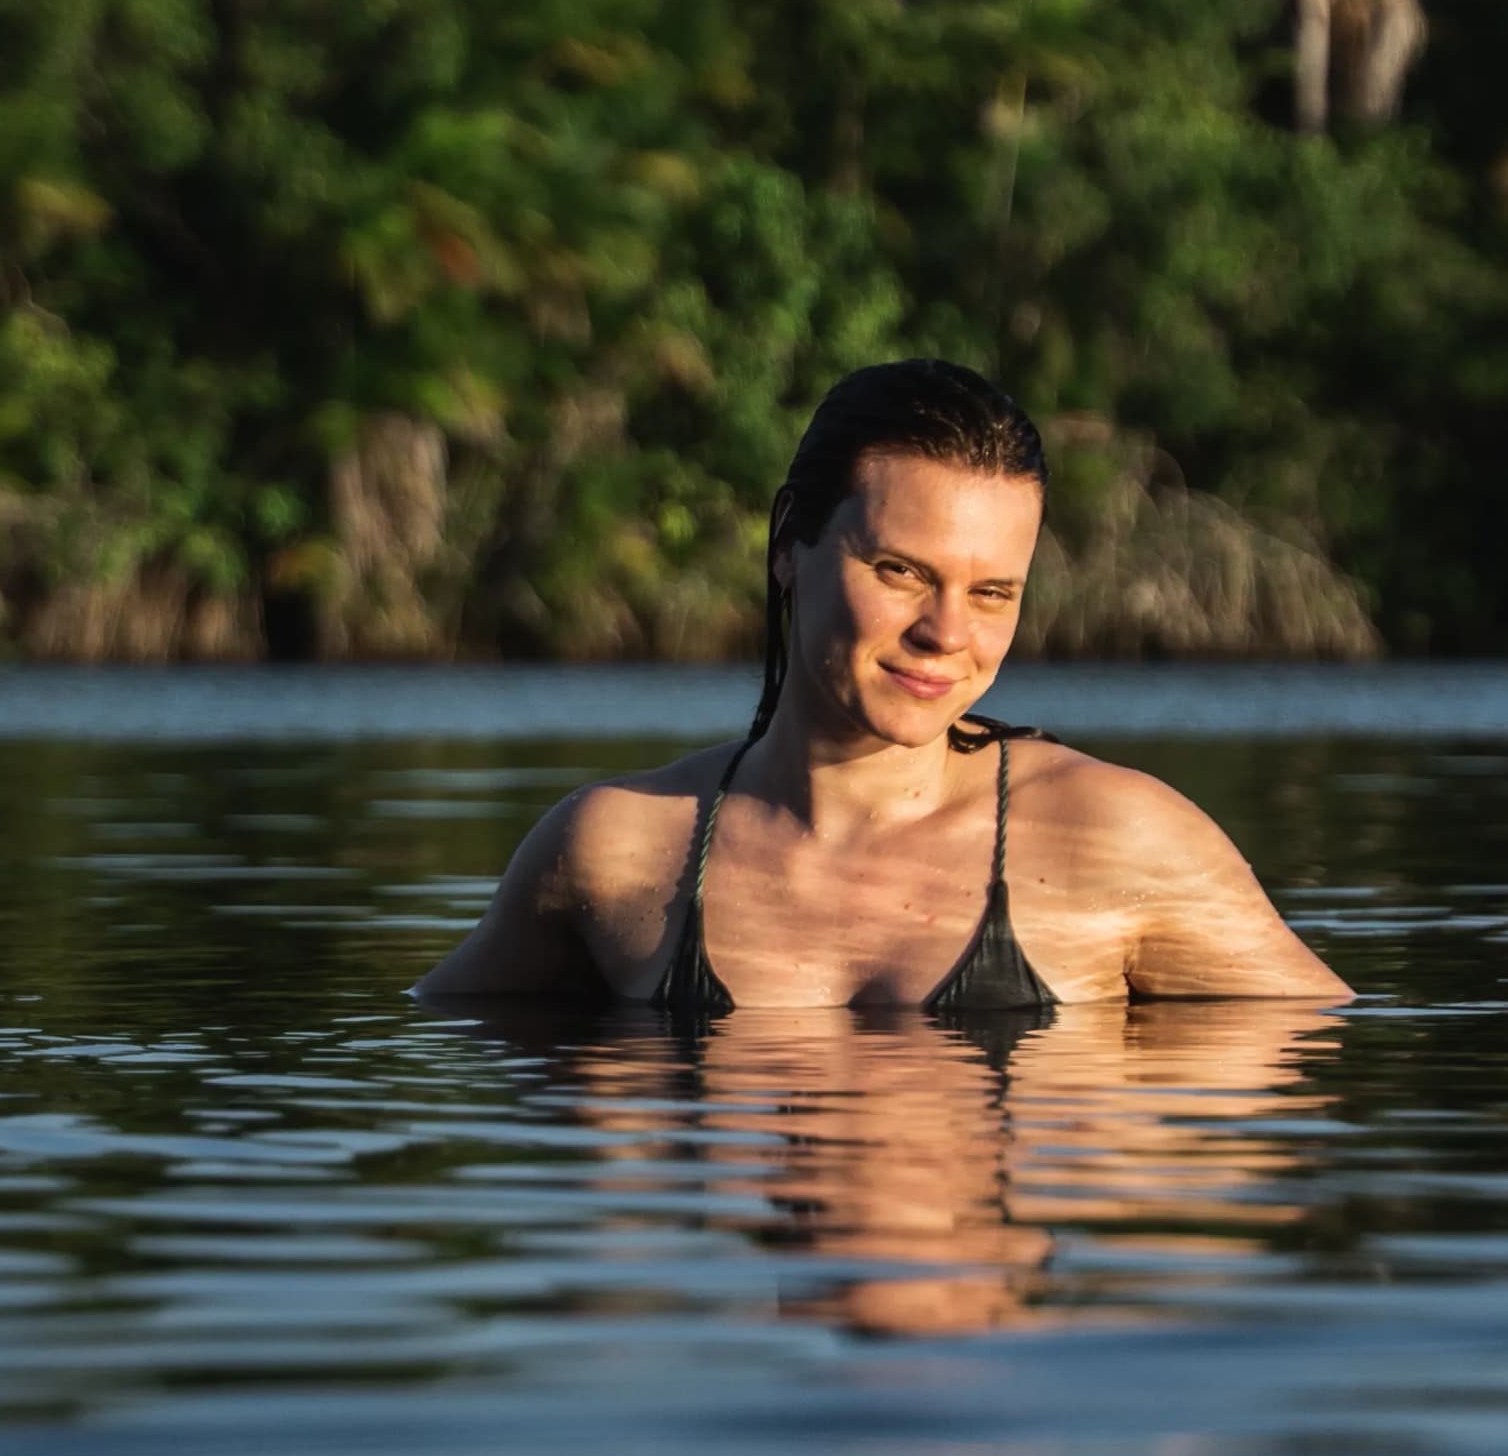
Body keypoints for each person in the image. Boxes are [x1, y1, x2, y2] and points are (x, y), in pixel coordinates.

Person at [416, 361, 1350, 1022]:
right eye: (901, 571)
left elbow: (1312, 1070)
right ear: (791, 547)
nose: (948, 633)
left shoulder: (1116, 838)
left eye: (992, 593)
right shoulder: (617, 848)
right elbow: (446, 1050)